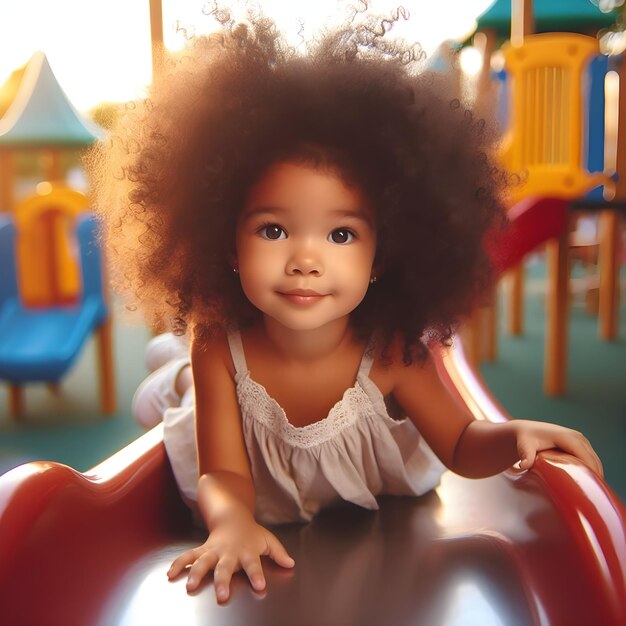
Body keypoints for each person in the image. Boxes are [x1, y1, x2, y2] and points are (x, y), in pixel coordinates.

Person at [90, 5, 603, 604]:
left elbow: (460, 442)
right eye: (273, 230)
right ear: (224, 240)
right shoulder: (219, 344)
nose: (306, 260)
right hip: (218, 399)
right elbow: (223, 473)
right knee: (169, 392)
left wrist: (514, 435)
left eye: (341, 235)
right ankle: (169, 375)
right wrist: (231, 520)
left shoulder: (388, 350)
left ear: (383, 254)